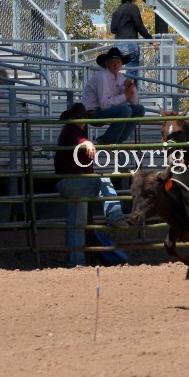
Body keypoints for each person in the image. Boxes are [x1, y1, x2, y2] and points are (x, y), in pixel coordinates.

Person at [55, 103, 129, 268]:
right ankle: (114, 215)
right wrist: (86, 143)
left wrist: (86, 142)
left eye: (84, 117)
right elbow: (78, 141)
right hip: (73, 182)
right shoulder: (73, 132)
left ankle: (76, 261)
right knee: (102, 180)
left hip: (72, 183)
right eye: (78, 117)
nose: (82, 120)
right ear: (71, 118)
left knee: (76, 222)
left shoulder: (70, 132)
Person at [82, 47, 146, 145]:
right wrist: (125, 95)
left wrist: (131, 88)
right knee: (126, 110)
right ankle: (108, 140)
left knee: (140, 109)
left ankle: (116, 141)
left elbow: (134, 102)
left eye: (118, 62)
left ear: (121, 64)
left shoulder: (120, 77)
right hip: (92, 113)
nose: (116, 65)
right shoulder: (101, 77)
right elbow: (104, 105)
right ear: (106, 63)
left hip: (103, 111)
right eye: (112, 62)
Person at [110, 0, 159, 80]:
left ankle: (118, 91)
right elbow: (140, 27)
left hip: (117, 44)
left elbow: (113, 30)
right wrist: (151, 41)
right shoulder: (133, 8)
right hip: (130, 44)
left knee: (117, 70)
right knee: (131, 71)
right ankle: (126, 93)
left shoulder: (117, 11)